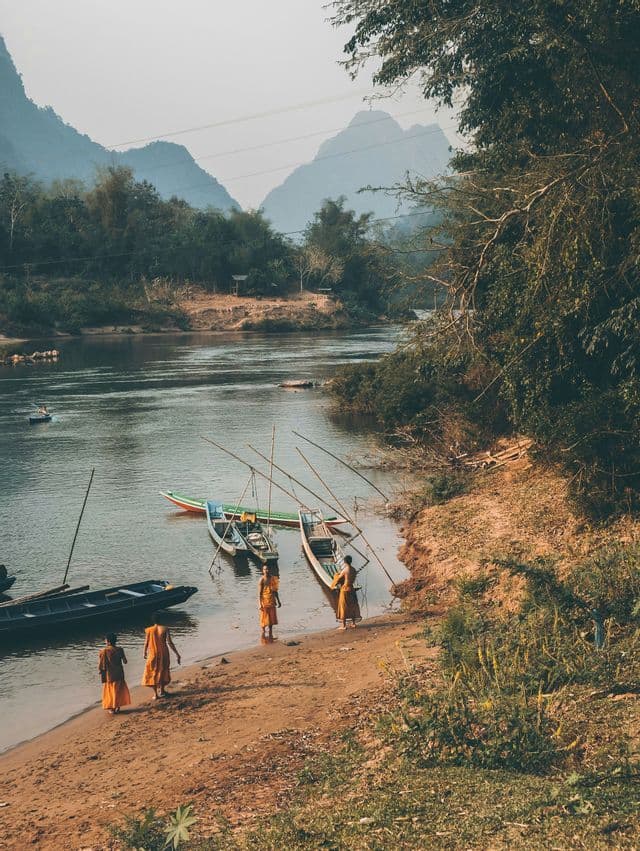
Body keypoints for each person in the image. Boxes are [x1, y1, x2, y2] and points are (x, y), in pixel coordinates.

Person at [142, 617, 181, 699]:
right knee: (163, 670)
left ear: (152, 621)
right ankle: (162, 691)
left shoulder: (148, 630)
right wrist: (177, 654)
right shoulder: (165, 628)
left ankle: (155, 694)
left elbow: (146, 642)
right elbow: (169, 642)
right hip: (164, 652)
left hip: (152, 653)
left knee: (153, 671)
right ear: (160, 620)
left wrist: (144, 652)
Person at [98, 633, 131, 715]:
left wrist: (101, 671)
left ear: (108, 641)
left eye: (105, 640)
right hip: (119, 673)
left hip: (110, 675)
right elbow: (125, 661)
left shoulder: (104, 651)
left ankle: (112, 708)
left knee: (111, 691)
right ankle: (118, 707)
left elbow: (101, 664)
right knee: (118, 691)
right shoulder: (120, 649)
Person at [330, 555, 362, 630]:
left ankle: (343, 626)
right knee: (352, 605)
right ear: (351, 561)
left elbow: (338, 579)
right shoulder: (354, 570)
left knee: (343, 606)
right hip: (352, 589)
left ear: (344, 562)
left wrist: (335, 576)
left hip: (345, 589)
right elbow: (351, 578)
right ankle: (353, 623)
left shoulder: (345, 570)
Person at [258, 563, 281, 640]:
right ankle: (263, 632)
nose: (266, 571)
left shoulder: (273, 579)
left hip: (271, 599)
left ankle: (270, 632)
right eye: (265, 569)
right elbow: (259, 593)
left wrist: (278, 601)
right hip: (264, 600)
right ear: (262, 571)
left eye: (267, 569)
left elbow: (275, 591)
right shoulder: (261, 580)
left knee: (271, 616)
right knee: (264, 617)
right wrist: (259, 603)